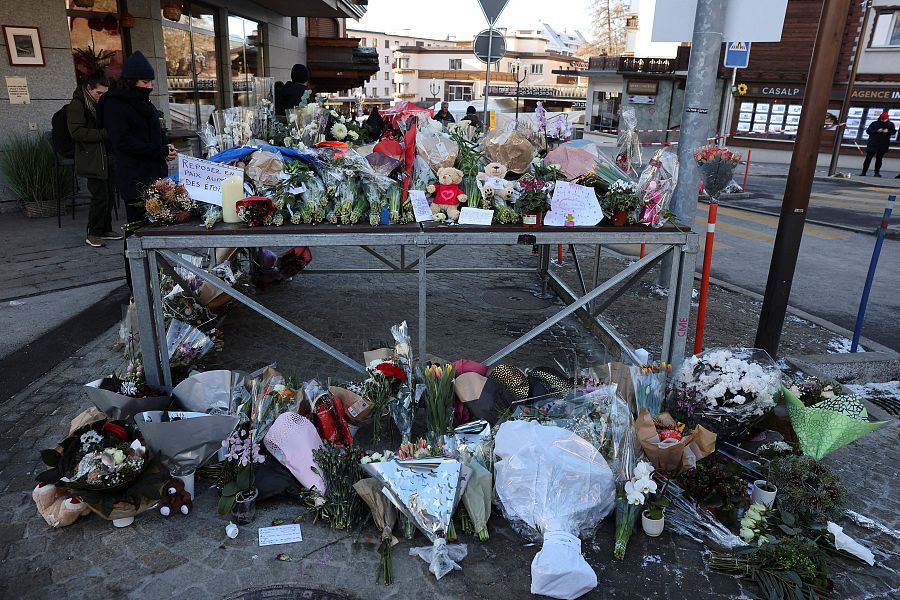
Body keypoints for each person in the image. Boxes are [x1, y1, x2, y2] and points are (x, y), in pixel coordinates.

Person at [98, 51, 177, 286]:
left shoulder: (144, 103)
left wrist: (166, 147)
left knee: (157, 227)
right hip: (134, 177)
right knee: (136, 231)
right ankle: (137, 284)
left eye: (151, 81)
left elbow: (155, 133)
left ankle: (159, 279)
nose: (149, 86)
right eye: (145, 82)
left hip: (155, 173)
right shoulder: (115, 105)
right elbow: (122, 142)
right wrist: (158, 150)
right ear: (131, 81)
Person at [67, 72, 120, 248]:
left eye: (105, 93)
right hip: (92, 157)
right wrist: (104, 134)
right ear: (89, 88)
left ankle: (105, 228)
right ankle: (94, 232)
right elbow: (76, 132)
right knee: (100, 196)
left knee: (109, 194)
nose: (102, 97)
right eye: (99, 93)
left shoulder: (100, 104)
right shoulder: (77, 105)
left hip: (106, 154)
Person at [861, 112, 896, 177]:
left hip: (883, 144)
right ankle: (864, 172)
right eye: (882, 119)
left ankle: (877, 173)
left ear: (887, 118)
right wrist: (877, 130)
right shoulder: (874, 123)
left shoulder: (890, 124)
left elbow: (893, 132)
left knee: (879, 159)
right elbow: (868, 131)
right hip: (873, 143)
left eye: (885, 119)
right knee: (868, 158)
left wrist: (888, 131)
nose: (883, 120)